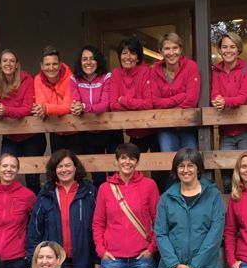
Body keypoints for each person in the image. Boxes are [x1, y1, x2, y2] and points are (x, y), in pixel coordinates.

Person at [26, 149, 97, 268]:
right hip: (53, 262)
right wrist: (33, 260)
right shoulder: (46, 194)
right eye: (60, 166)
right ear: (54, 170)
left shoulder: (89, 192)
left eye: (68, 165)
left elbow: (98, 226)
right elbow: (35, 230)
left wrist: (97, 259)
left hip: (83, 262)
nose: (64, 170)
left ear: (75, 167)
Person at [210, 31, 247, 192]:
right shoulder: (216, 71)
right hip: (226, 132)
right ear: (219, 50)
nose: (228, 50)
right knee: (227, 178)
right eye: (224, 47)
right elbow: (214, 95)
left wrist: (225, 102)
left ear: (239, 49)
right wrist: (218, 101)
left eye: (232, 47)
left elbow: (244, 97)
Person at [0, 48, 43, 193]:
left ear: (17, 64)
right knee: (6, 173)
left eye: (12, 61)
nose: (8, 64)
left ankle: (36, 205)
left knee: (32, 176)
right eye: (5, 61)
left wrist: (5, 110)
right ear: (0, 64)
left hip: (31, 135)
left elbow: (27, 109)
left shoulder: (27, 80)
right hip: (10, 136)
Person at [70, 45, 121, 184]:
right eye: (84, 59)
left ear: (98, 61)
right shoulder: (74, 79)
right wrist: (77, 107)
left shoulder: (107, 77)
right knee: (97, 174)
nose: (88, 62)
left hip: (110, 131)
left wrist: (83, 107)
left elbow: (104, 105)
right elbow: (75, 102)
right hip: (89, 132)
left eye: (92, 58)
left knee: (115, 172)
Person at [109, 36, 156, 157]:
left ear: (138, 57)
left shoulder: (146, 72)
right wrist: (137, 104)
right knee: (133, 164)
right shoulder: (116, 73)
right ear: (120, 56)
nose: (128, 57)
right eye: (124, 53)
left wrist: (123, 100)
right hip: (133, 131)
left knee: (160, 165)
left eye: (132, 53)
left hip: (153, 128)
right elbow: (113, 105)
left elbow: (148, 104)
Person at [152, 33, 200, 152]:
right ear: (161, 51)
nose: (171, 52)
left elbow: (192, 100)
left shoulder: (191, 66)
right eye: (167, 48)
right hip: (165, 126)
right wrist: (181, 96)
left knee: (191, 159)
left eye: (175, 48)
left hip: (188, 124)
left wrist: (168, 107)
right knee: (169, 160)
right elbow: (156, 102)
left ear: (181, 49)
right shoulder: (155, 70)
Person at [32, 45, 76, 153]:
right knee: (57, 162)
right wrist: (45, 108)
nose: (51, 68)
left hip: (75, 129)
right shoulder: (38, 80)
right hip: (55, 131)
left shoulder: (71, 78)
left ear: (60, 64)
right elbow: (40, 104)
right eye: (47, 64)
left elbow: (68, 106)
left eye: (54, 64)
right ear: (41, 66)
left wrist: (47, 109)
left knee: (76, 162)